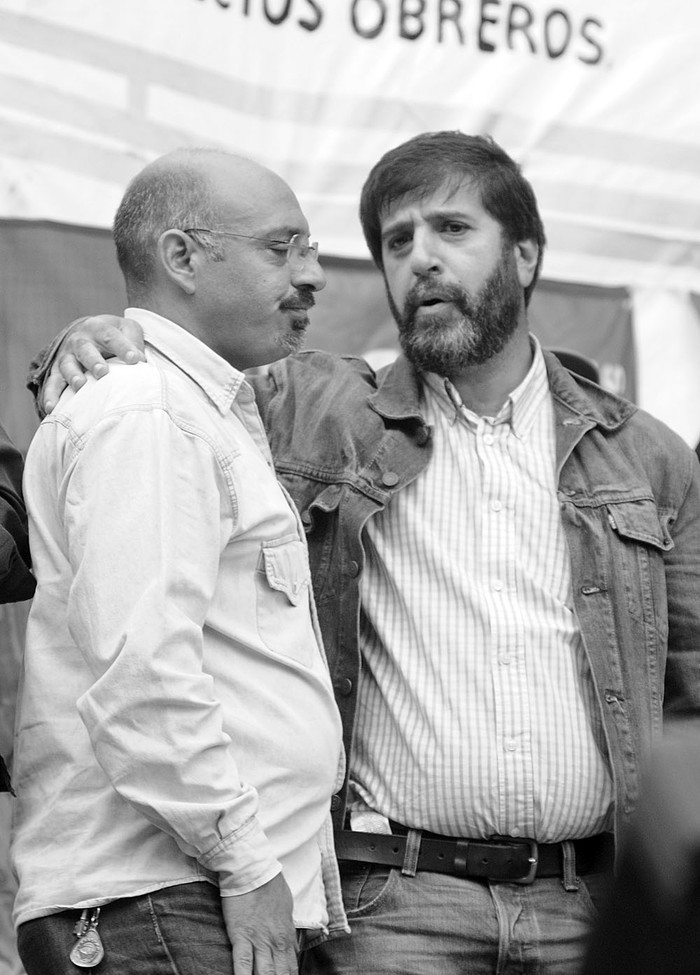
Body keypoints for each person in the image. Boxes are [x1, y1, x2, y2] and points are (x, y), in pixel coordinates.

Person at [31, 131, 700, 974]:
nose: (420, 258)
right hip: (397, 906)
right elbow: (165, 360)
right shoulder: (312, 404)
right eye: (396, 240)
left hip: (586, 902)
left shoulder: (647, 455)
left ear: (525, 254)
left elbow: (691, 692)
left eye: (451, 230)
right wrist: (87, 338)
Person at [12, 147, 347, 975]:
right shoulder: (147, 409)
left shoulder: (204, 406)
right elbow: (145, 676)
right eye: (282, 246)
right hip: (169, 900)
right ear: (182, 257)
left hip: (187, 897)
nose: (313, 275)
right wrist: (247, 864)